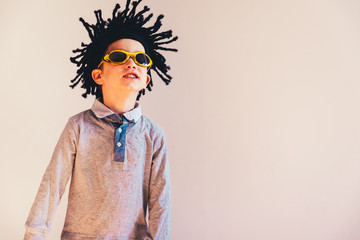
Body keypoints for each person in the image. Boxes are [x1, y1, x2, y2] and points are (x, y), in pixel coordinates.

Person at [24, 1, 177, 239]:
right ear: (98, 75)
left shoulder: (154, 135)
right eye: (119, 56)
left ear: (146, 79)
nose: (131, 63)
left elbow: (161, 204)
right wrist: (34, 234)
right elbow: (52, 185)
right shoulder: (78, 126)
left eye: (141, 59)